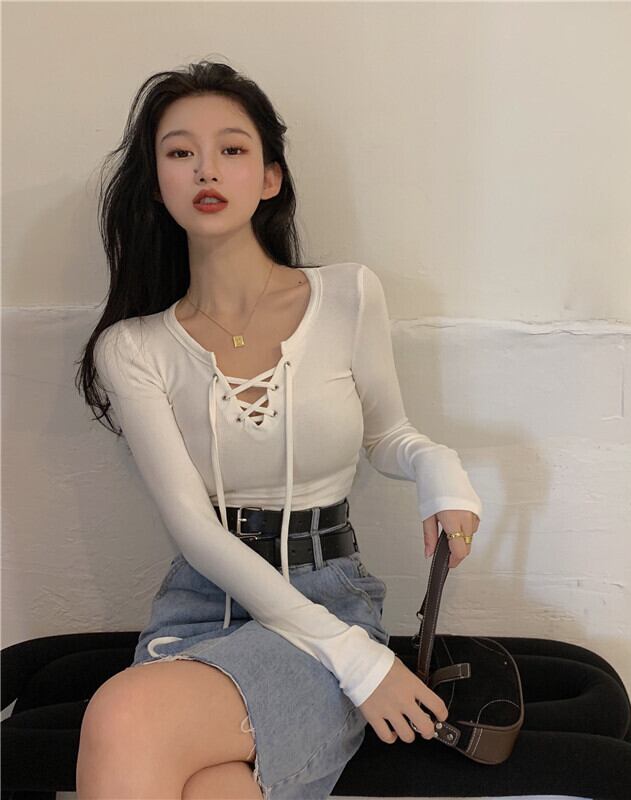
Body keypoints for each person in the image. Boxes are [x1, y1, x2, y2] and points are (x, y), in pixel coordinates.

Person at [74, 59, 482, 799]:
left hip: (328, 598)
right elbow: (194, 529)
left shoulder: (348, 296)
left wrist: (438, 468)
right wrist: (358, 663)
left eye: (231, 149)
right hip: (201, 608)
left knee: (125, 717)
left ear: (270, 178)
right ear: (157, 183)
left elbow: (388, 434)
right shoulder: (134, 349)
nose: (206, 168)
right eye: (179, 152)